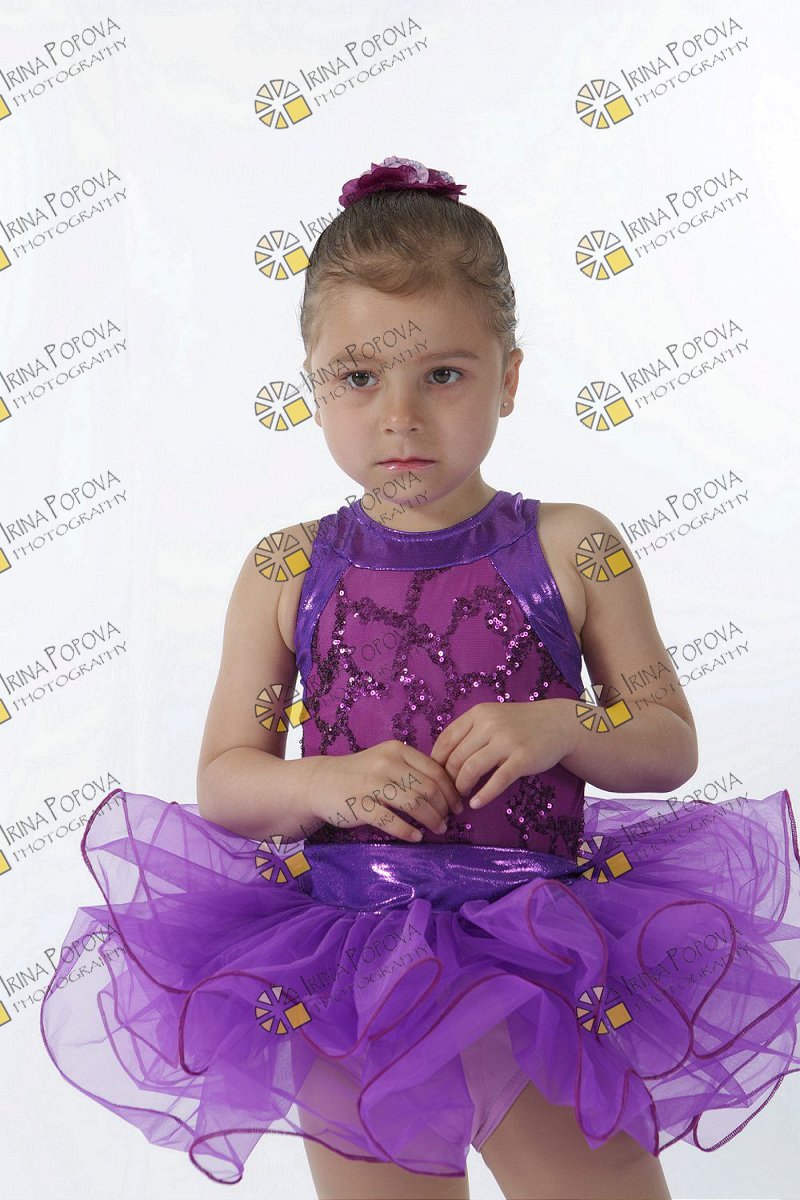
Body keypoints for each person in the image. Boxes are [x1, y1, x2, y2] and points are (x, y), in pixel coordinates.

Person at [39, 157, 800, 1200]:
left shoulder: (575, 547)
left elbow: (667, 741)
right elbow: (226, 778)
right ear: (312, 386)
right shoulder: (286, 568)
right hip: (350, 968)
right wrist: (323, 784)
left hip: (544, 961)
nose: (398, 415)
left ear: (509, 379)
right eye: (358, 378)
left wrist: (563, 725)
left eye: (442, 374)